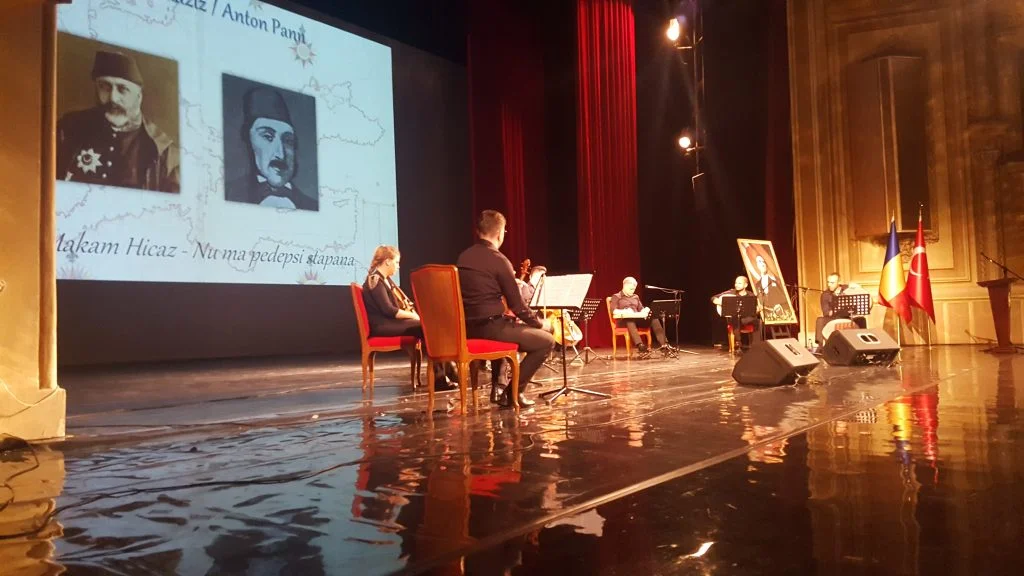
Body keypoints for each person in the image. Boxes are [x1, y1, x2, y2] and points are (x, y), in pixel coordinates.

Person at [457, 210, 555, 407]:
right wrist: (540, 323)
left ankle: (500, 388)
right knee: (546, 341)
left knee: (505, 324)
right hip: (490, 329)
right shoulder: (499, 260)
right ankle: (513, 394)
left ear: (478, 231)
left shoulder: (463, 258)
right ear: (500, 233)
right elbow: (517, 306)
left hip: (466, 329)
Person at [57, 50, 180, 192]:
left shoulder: (164, 152)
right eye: (104, 87)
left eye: (123, 89)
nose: (113, 98)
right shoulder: (68, 129)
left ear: (139, 97)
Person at [362, 245, 455, 391]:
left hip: (389, 323)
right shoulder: (375, 280)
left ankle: (443, 372)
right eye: (396, 262)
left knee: (427, 327)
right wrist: (413, 315)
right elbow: (388, 310)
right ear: (387, 261)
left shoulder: (385, 280)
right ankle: (443, 373)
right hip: (382, 325)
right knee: (425, 327)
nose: (398, 266)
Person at [225, 86, 317, 211]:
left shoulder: (312, 205)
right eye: (267, 137)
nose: (281, 154)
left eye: (288, 141)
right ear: (249, 140)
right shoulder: (227, 193)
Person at [610, 277, 674, 358]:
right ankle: (640, 346)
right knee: (629, 320)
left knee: (653, 318)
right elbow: (613, 311)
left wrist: (645, 310)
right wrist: (624, 311)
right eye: (631, 289)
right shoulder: (616, 296)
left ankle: (664, 345)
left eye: (634, 289)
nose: (633, 291)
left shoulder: (635, 297)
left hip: (636, 319)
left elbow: (641, 309)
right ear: (625, 286)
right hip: (623, 321)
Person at [814, 272, 867, 346]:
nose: (829, 284)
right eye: (828, 282)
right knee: (820, 320)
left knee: (862, 319)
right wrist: (838, 308)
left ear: (839, 282)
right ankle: (820, 346)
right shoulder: (825, 294)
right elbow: (826, 313)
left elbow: (859, 290)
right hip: (834, 317)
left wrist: (857, 286)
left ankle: (864, 343)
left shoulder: (846, 288)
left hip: (848, 317)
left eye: (832, 282)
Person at [711, 275, 762, 346]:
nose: (736, 285)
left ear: (745, 285)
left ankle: (756, 345)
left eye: (739, 283)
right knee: (735, 318)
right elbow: (713, 297)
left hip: (746, 318)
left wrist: (757, 310)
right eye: (736, 283)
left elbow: (754, 310)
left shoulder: (751, 295)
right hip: (735, 319)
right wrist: (720, 302)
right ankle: (738, 343)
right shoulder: (731, 292)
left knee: (757, 321)